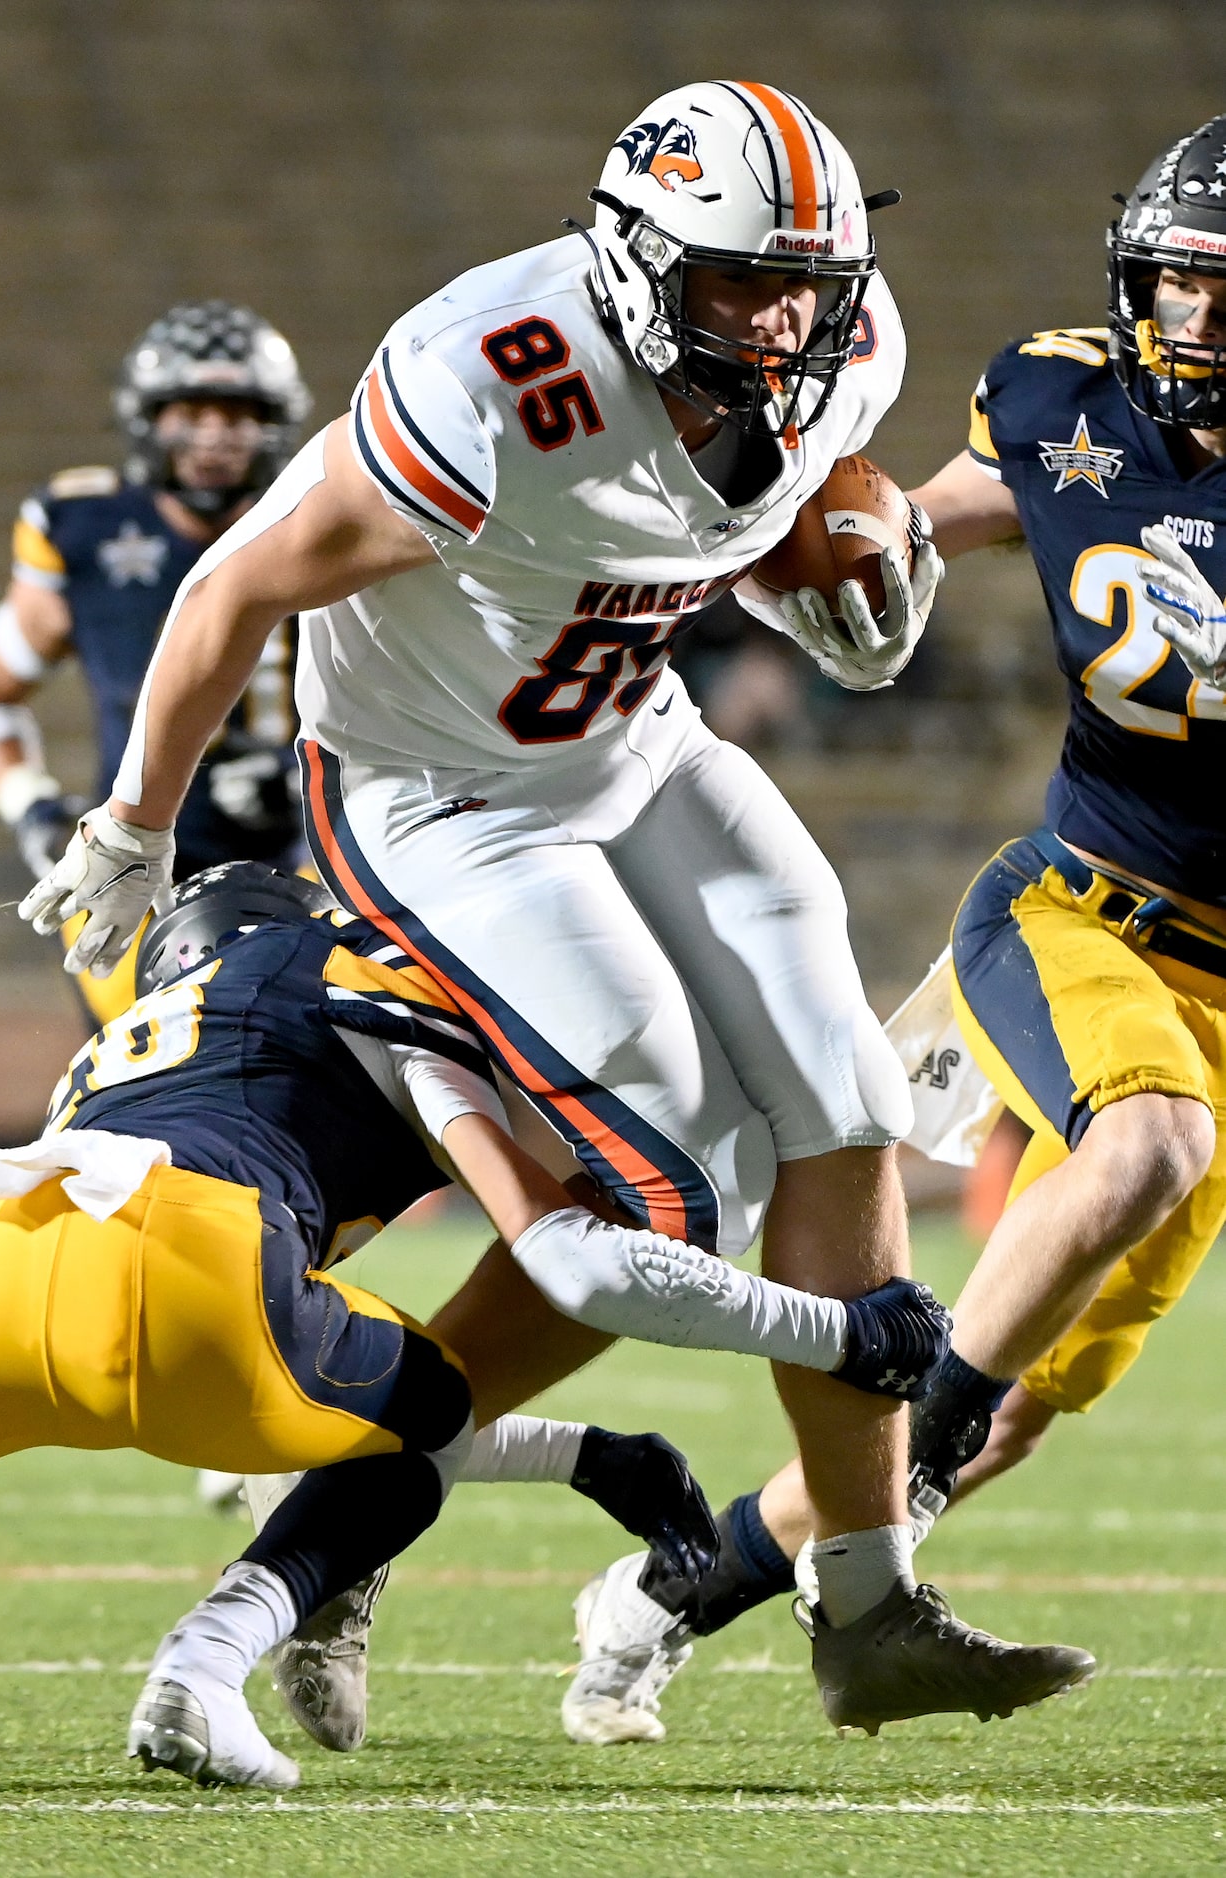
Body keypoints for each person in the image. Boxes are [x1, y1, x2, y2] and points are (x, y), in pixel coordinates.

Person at [15, 79, 1088, 1734]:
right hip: (439, 794)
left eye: (804, 274)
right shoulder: (495, 381)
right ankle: (338, 1528)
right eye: (739, 277)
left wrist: (847, 559)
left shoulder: (836, 342)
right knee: (673, 1186)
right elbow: (237, 583)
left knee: (845, 1098)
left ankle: (865, 1604)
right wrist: (131, 824)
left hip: (628, 729)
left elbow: (793, 490)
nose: (783, 312)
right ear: (638, 264)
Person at [560, 115, 1226, 1744]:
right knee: (1147, 1149)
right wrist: (783, 555)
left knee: (1000, 1419)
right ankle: (903, 1480)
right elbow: (921, 519)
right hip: (1083, 917)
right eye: (1178, 284)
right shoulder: (1068, 403)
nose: (1195, 323)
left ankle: (660, 1593)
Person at [0, 862, 951, 1786]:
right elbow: (561, 1258)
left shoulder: (118, 1045)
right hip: (194, 1269)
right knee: (431, 1400)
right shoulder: (353, 979)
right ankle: (203, 1664)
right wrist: (838, 1335)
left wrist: (587, 1461)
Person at [0, 300, 314, 1027]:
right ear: (148, 419)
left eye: (237, 414)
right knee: (132, 1087)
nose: (213, 436)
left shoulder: (320, 514)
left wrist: (303, 776)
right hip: (135, 870)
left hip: (311, 863)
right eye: (191, 411)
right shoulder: (83, 528)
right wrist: (35, 811)